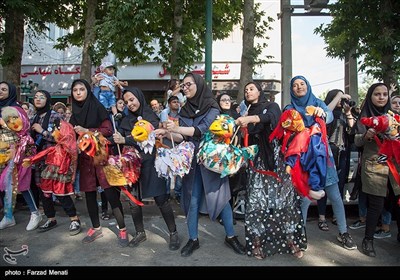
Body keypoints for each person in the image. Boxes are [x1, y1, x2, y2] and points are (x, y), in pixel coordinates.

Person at [156, 72, 246, 257]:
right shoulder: (184, 110)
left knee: (222, 199)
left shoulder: (212, 106)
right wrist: (165, 133)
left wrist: (177, 128)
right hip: (191, 161)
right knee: (191, 200)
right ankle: (193, 239)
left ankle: (230, 236)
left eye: (189, 84)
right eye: (183, 85)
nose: (185, 87)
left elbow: (201, 130)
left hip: (211, 160)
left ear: (199, 84)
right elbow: (182, 137)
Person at [235, 81, 306, 259]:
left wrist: (250, 119)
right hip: (256, 163)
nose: (248, 91)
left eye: (251, 89)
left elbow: (272, 118)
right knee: (256, 203)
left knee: (285, 201)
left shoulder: (271, 106)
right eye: (245, 90)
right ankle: (256, 243)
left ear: (259, 91)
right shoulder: (244, 112)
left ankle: (291, 240)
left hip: (277, 161)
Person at [287, 76, 357, 251]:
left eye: (302, 84)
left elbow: (330, 116)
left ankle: (343, 232)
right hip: (303, 159)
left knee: (334, 196)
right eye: (295, 85)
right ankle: (299, 233)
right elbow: (286, 127)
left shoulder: (318, 102)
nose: (299, 87)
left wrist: (322, 113)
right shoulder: (289, 108)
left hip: (323, 157)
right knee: (304, 198)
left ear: (308, 86)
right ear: (291, 90)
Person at [112, 86, 180, 251]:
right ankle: (140, 232)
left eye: (132, 100)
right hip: (132, 165)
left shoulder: (150, 115)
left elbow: (148, 138)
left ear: (139, 98)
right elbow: (119, 138)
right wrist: (114, 138)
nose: (129, 104)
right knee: (133, 201)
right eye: (127, 101)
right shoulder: (125, 119)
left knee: (161, 199)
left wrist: (126, 140)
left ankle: (173, 232)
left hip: (151, 163)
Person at [70, 79, 130, 247]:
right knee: (89, 194)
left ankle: (123, 228)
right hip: (85, 159)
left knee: (110, 193)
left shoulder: (97, 107)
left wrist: (87, 131)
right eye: (75, 90)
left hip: (101, 157)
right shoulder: (74, 113)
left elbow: (108, 131)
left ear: (88, 91)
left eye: (82, 89)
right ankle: (96, 227)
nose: (79, 92)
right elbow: (72, 136)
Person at [354, 83, 400, 257]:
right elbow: (356, 141)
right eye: (377, 94)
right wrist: (367, 135)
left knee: (397, 201)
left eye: (384, 94)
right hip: (374, 164)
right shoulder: (364, 117)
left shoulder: (394, 116)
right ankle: (368, 240)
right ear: (370, 97)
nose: (381, 97)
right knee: (376, 204)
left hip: (394, 165)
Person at [23, 119, 81, 235]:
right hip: (49, 172)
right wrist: (31, 160)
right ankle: (51, 219)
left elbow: (72, 153)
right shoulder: (54, 148)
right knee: (45, 195)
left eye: (59, 129)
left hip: (61, 173)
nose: (56, 131)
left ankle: (74, 219)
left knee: (63, 195)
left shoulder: (69, 149)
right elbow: (42, 154)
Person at [316, 89, 355, 231]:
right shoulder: (326, 113)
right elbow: (324, 120)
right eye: (339, 98)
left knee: (339, 186)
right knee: (323, 185)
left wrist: (349, 112)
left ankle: (335, 215)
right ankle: (321, 217)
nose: (341, 101)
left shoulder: (346, 114)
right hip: (328, 151)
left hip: (343, 151)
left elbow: (353, 131)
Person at [0, 105, 42, 231]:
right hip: (11, 165)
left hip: (24, 165)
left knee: (24, 187)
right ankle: (8, 216)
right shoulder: (12, 136)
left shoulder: (26, 138)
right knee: (6, 187)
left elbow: (31, 152)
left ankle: (35, 213)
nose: (13, 122)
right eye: (8, 120)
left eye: (15, 118)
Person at [159, 95, 182, 203]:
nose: (176, 103)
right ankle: (167, 193)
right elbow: (163, 128)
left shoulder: (182, 114)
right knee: (167, 171)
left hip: (179, 145)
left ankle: (178, 193)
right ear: (169, 104)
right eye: (174, 102)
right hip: (167, 145)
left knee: (179, 170)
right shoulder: (165, 114)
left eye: (177, 102)